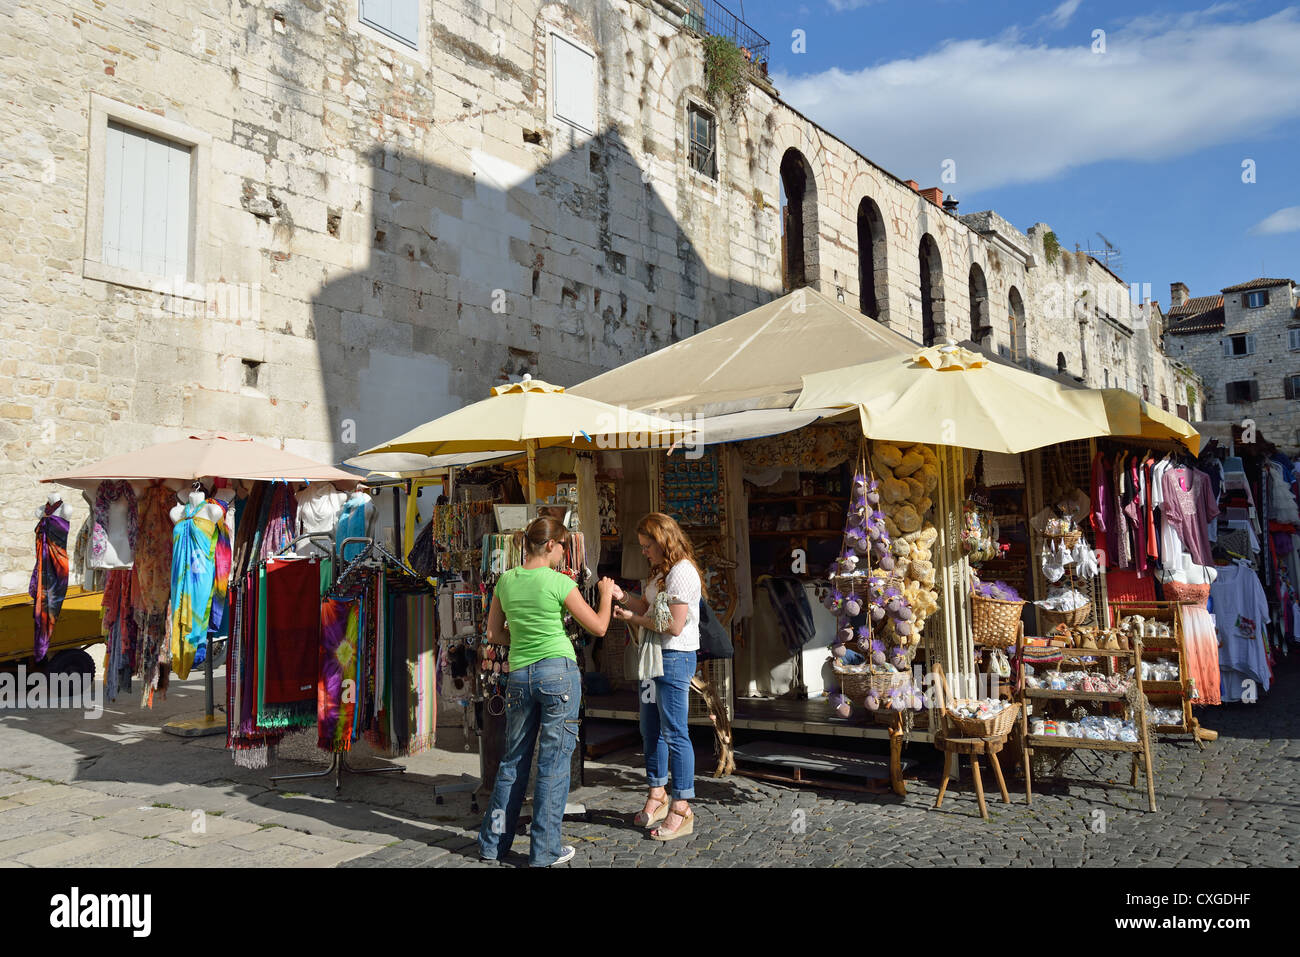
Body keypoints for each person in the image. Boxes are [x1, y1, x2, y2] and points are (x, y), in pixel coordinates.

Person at [477, 516, 617, 866]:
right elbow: (599, 627)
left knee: (512, 762)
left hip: (520, 675)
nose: (564, 553)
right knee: (553, 765)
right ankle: (545, 851)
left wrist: (522, 641)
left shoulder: (506, 581)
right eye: (564, 546)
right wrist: (604, 595)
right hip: (558, 674)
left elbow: (494, 634)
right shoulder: (558, 582)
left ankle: (492, 844)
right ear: (552, 545)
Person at [613, 512, 705, 841]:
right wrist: (624, 598)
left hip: (674, 657)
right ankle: (657, 792)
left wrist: (632, 619)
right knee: (650, 727)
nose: (644, 552)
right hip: (653, 657)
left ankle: (682, 804)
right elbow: (650, 608)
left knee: (675, 731)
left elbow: (673, 625)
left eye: (647, 545)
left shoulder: (682, 573)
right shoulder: (661, 572)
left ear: (662, 540)